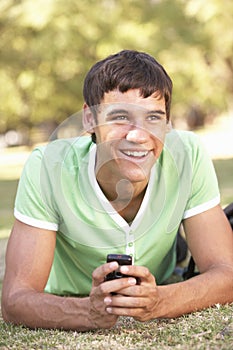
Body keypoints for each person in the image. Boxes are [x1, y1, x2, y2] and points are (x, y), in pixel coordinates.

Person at [2, 50, 233, 331]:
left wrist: (160, 300)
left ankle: (176, 246)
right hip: (69, 289)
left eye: (153, 118)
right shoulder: (46, 167)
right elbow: (15, 299)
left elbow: (227, 274)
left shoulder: (188, 153)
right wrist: (87, 312)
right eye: (121, 116)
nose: (137, 135)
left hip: (164, 268)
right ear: (89, 119)